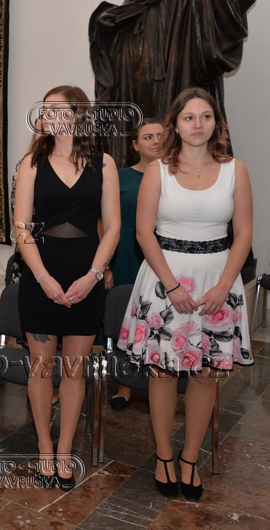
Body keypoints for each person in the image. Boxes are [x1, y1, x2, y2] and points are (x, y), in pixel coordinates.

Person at [117, 88, 253, 500]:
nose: (197, 124)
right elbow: (144, 233)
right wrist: (172, 286)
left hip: (217, 281)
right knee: (161, 372)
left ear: (216, 123)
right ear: (175, 125)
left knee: (204, 374)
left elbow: (244, 234)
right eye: (189, 117)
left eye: (205, 116)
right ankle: (163, 455)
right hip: (165, 280)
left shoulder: (235, 170)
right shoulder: (158, 171)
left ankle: (190, 458)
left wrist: (224, 286)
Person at [13, 86, 120, 490]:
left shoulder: (103, 163)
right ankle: (44, 448)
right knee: (41, 368)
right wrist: (42, 277)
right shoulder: (31, 163)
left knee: (75, 370)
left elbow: (113, 227)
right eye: (46, 109)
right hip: (41, 272)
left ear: (79, 114)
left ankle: (65, 450)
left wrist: (93, 275)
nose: (50, 114)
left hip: (86, 274)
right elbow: (21, 228)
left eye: (59, 108)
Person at [89, 0, 256, 166]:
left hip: (188, 63)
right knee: (148, 136)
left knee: (190, 124)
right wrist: (109, 24)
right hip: (144, 71)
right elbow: (132, 14)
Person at [106, 120, 165, 410]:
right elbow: (104, 221)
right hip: (126, 251)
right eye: (148, 137)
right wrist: (105, 264)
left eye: (161, 136)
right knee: (125, 316)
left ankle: (161, 382)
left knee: (159, 318)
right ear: (135, 145)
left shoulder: (176, 176)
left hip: (164, 253)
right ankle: (125, 384)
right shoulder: (119, 177)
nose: (155, 141)